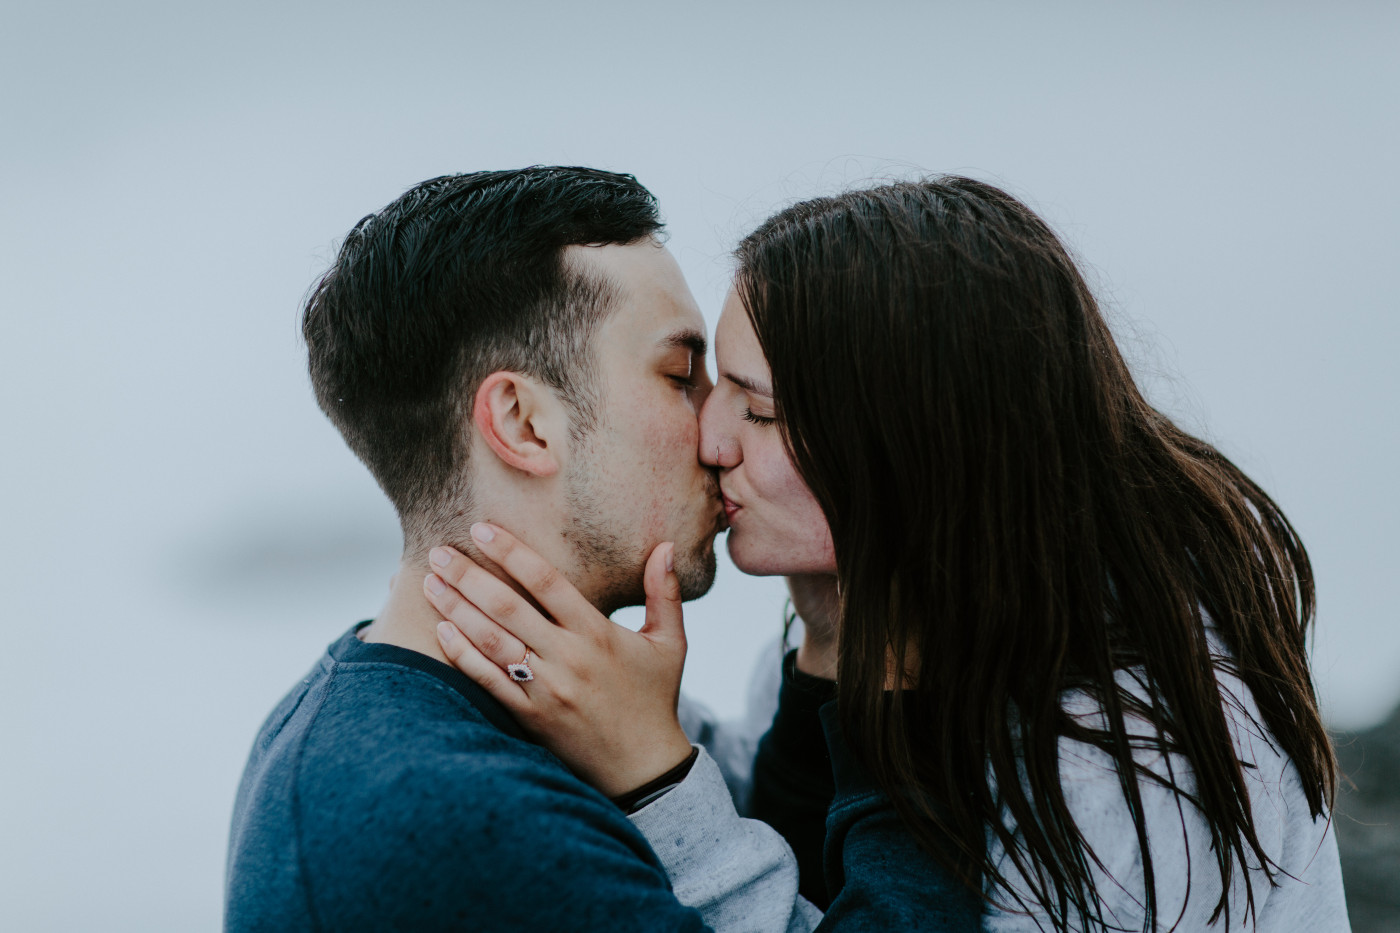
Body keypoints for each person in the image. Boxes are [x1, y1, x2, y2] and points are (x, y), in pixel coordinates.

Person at [426, 177, 1352, 931]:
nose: (710, 435)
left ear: (911, 451)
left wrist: (659, 778)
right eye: (706, 384)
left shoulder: (1127, 759)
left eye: (762, 411)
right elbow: (808, 852)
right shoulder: (855, 614)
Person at [224, 166, 826, 932]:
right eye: (680, 376)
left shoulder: (354, 716)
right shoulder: (468, 817)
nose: (717, 432)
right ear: (523, 422)